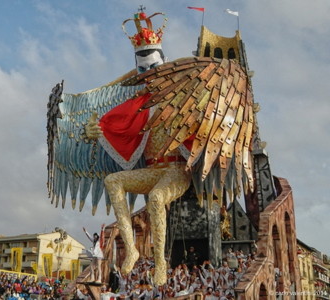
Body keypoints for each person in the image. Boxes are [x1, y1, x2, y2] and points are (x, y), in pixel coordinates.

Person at [85, 9, 190, 287]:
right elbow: (113, 124)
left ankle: (161, 263)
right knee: (113, 180)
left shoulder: (181, 99)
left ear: (164, 64)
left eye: (153, 69)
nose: (148, 75)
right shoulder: (138, 104)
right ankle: (131, 248)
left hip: (177, 171)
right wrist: (93, 131)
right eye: (143, 70)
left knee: (156, 198)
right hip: (153, 170)